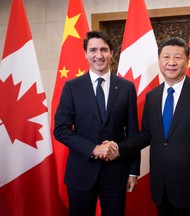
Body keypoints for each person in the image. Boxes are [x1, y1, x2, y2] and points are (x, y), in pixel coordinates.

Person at [103, 37, 190, 216]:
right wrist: (117, 147)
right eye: (166, 57)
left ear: (186, 60)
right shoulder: (153, 96)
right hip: (162, 187)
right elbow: (146, 135)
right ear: (159, 61)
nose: (171, 62)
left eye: (177, 57)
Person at [53, 30, 140, 216]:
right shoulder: (72, 87)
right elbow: (61, 130)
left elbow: (133, 133)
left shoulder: (126, 88)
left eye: (104, 50)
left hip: (116, 173)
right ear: (85, 54)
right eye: (93, 50)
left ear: (112, 53)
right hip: (81, 174)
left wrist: (133, 171)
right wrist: (94, 149)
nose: (98, 55)